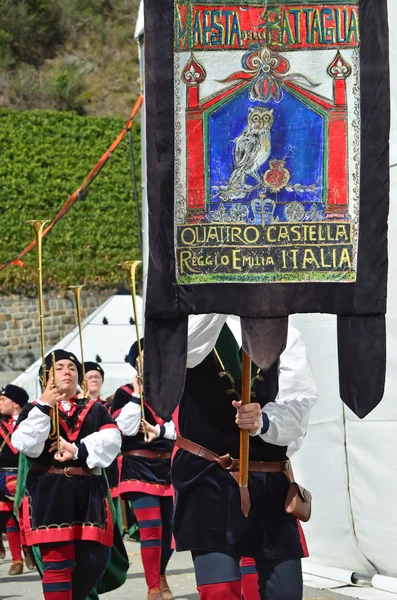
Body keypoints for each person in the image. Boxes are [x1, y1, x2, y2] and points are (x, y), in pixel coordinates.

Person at [171, 314, 318, 600]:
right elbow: (182, 351)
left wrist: (263, 421)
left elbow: (299, 407)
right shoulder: (193, 324)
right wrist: (219, 300)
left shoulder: (286, 334)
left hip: (269, 480)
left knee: (285, 592)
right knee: (219, 591)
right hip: (208, 478)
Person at [12, 350, 122, 600]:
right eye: (59, 367)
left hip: (90, 492)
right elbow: (27, 444)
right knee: (57, 565)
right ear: (47, 377)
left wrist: (78, 450)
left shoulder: (94, 409)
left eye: (72, 367)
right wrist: (44, 405)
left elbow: (112, 439)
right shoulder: (33, 409)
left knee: (96, 560)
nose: (67, 371)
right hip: (49, 493)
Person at [111, 341, 175, 600]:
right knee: (152, 527)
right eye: (144, 356)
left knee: (170, 530)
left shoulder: (171, 390)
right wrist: (138, 395)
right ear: (134, 362)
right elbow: (123, 429)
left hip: (169, 466)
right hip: (138, 466)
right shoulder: (124, 393)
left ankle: (160, 573)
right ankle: (153, 587)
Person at [0, 384, 35, 575]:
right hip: (3, 476)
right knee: (9, 520)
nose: (0, 403)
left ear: (15, 404)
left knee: (24, 517)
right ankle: (16, 560)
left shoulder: (30, 421)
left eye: (3, 399)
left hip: (25, 474)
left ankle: (28, 547)